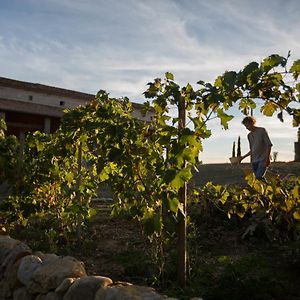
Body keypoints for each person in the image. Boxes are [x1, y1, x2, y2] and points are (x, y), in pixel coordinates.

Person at [239, 116, 273, 182]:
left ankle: (270, 186)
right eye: (245, 126)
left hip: (263, 158)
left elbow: (269, 145)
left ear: (252, 123)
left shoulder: (262, 130)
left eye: (247, 125)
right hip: (254, 161)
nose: (247, 128)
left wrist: (267, 158)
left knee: (259, 176)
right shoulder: (249, 136)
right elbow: (252, 150)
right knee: (258, 180)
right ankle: (266, 189)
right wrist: (242, 157)